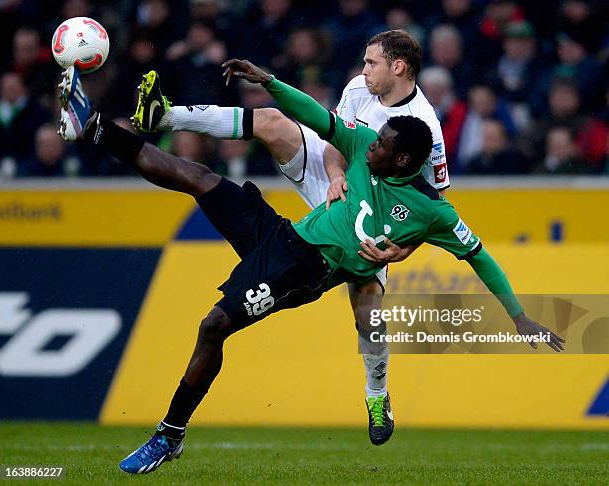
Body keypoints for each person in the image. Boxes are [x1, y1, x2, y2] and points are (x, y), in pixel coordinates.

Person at [58, 63, 563, 475]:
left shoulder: (434, 212)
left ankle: (170, 435)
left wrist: (519, 318)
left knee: (215, 325)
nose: (370, 145)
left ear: (403, 158)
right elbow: (320, 119)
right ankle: (98, 128)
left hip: (303, 270)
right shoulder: (368, 147)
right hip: (283, 234)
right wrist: (270, 82)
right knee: (198, 176)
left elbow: (480, 256)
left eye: (382, 145)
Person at [131, 30, 450, 445]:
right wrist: (335, 176)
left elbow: (435, 204)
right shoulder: (359, 88)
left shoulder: (425, 126)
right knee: (270, 120)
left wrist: (403, 249)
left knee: (367, 311)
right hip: (337, 183)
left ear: (398, 67)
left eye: (371, 63)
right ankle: (165, 116)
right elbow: (335, 138)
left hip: (373, 214)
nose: (363, 70)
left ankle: (376, 395)